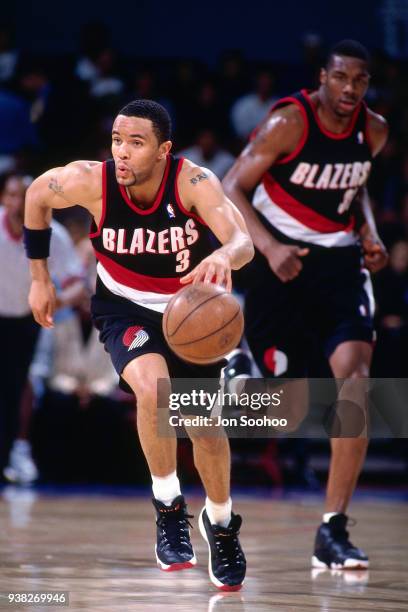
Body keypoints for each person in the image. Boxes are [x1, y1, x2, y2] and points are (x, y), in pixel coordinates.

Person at [24, 99, 254, 590]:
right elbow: (35, 198)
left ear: (164, 150)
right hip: (124, 306)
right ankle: (169, 507)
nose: (122, 153)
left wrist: (224, 260)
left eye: (136, 143)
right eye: (116, 141)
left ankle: (220, 522)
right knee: (155, 391)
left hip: (191, 313)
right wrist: (39, 278)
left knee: (206, 430)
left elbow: (242, 241)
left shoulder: (193, 182)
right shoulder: (91, 181)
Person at [223, 40, 388, 569]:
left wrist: (370, 231)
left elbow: (354, 187)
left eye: (359, 80)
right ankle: (238, 366)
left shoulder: (375, 130)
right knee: (280, 402)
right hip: (281, 260)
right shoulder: (288, 124)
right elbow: (230, 188)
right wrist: (269, 249)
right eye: (340, 77)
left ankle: (332, 531)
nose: (349, 89)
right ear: (323, 76)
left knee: (355, 385)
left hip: (339, 266)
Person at [0, 173, 86, 484]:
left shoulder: (54, 235)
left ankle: (16, 452)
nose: (17, 204)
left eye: (23, 197)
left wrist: (54, 302)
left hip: (25, 318)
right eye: (11, 196)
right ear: (3, 199)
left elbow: (79, 288)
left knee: (20, 385)